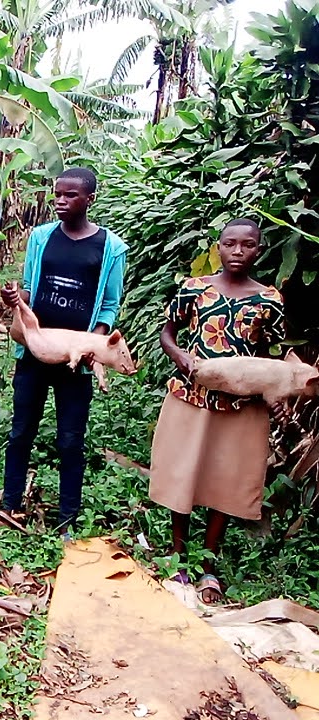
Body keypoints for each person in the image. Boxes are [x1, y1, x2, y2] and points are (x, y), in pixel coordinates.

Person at [149, 219, 285, 604]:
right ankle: (178, 557)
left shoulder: (269, 300)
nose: (238, 252)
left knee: (225, 481)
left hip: (242, 405)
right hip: (190, 395)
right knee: (182, 474)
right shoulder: (195, 288)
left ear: (259, 250)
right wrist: (179, 356)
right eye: (230, 244)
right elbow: (168, 332)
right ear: (219, 247)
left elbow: (271, 354)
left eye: (247, 245)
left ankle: (208, 565)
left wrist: (272, 388)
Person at [0, 167, 128, 534]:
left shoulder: (111, 248)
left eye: (70, 195)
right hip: (36, 354)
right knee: (21, 430)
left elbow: (109, 304)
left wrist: (94, 344)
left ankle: (67, 519)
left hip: (77, 361)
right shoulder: (41, 238)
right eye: (57, 194)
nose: (60, 201)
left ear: (90, 199)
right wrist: (14, 299)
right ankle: (9, 505)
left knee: (71, 439)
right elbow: (28, 289)